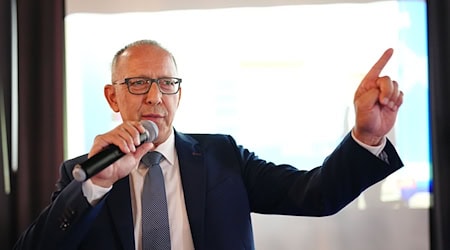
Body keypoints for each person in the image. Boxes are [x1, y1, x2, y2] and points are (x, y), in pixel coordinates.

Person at [14, 39, 404, 250]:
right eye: (137, 84)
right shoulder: (86, 171)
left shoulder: (222, 156)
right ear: (113, 97)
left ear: (178, 96)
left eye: (167, 84)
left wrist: (367, 136)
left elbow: (313, 194)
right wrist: (98, 184)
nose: (154, 97)